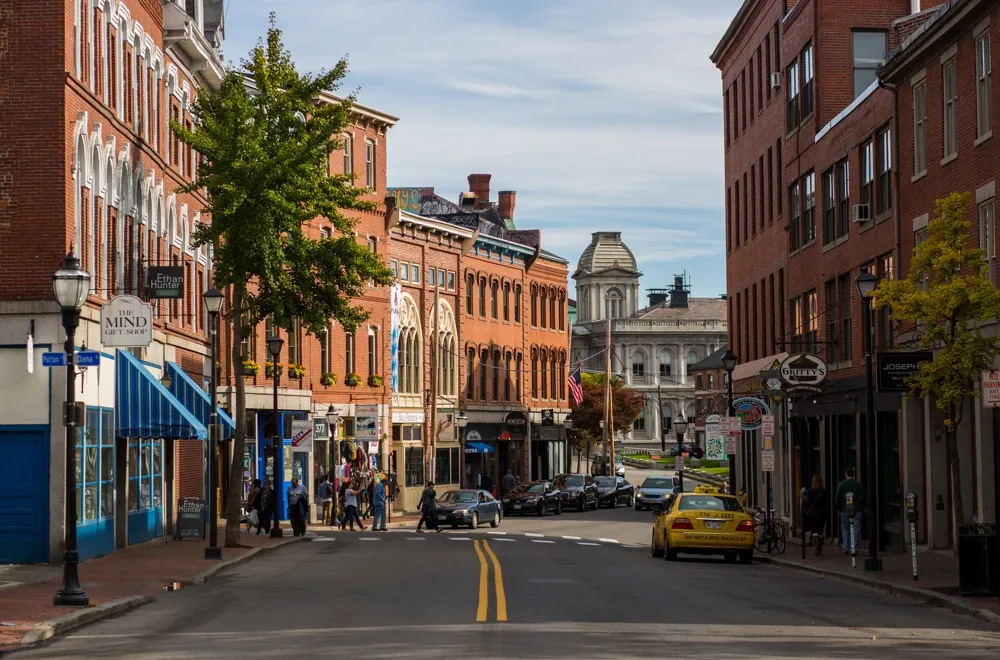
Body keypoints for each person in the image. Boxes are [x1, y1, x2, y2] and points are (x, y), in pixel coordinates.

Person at [835, 468, 864, 555]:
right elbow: (864, 495)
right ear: (853, 475)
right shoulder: (858, 484)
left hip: (844, 509)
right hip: (856, 509)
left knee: (845, 528)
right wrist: (863, 506)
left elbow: (837, 497)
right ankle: (853, 547)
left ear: (846, 474)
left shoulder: (841, 484)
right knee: (856, 528)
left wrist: (838, 508)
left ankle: (846, 547)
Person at [803, 474, 828, 556]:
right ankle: (820, 547)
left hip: (813, 514)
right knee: (820, 531)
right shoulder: (824, 492)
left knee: (814, 531)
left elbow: (807, 503)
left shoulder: (810, 491)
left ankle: (817, 549)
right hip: (822, 514)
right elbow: (826, 504)